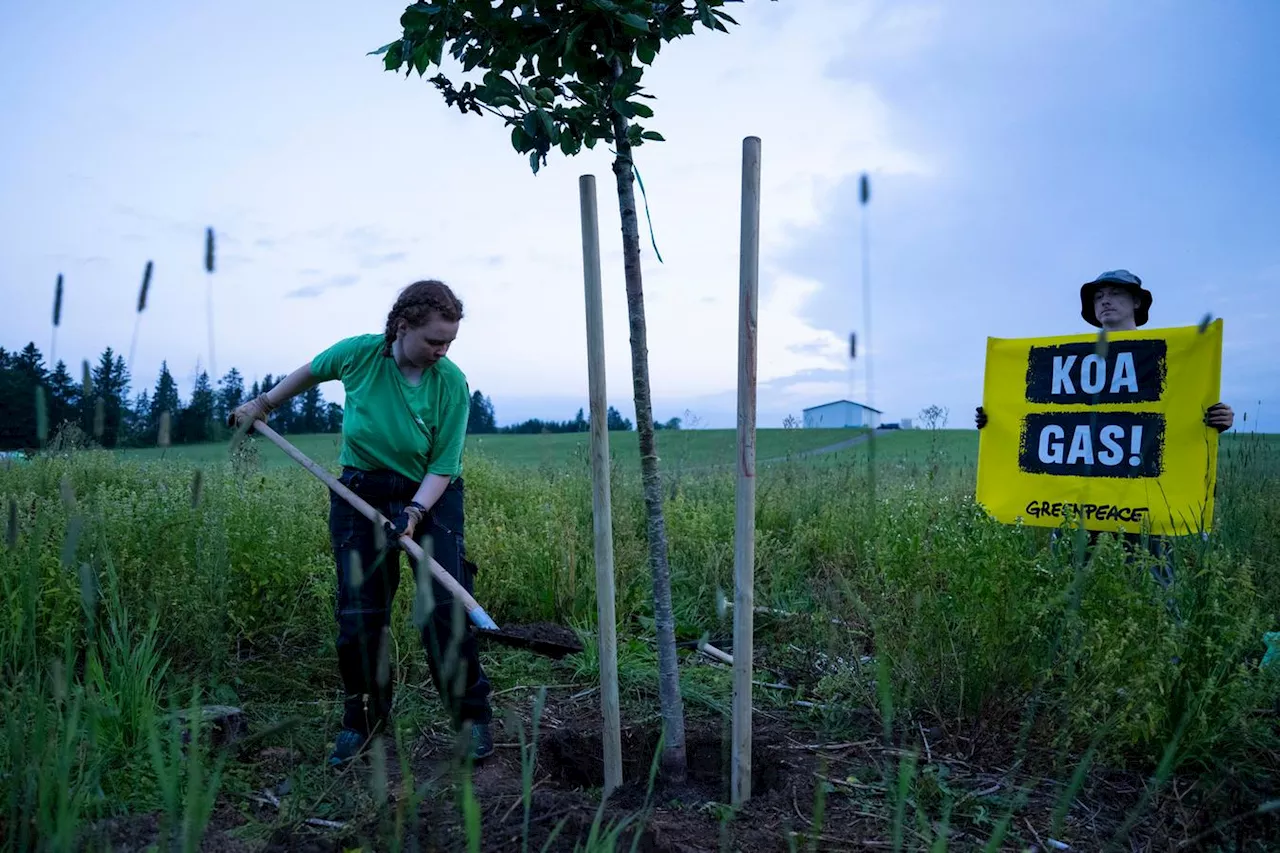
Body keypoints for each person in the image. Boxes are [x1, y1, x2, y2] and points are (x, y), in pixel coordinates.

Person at [229, 279, 494, 766]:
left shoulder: (451, 383)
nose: (443, 350)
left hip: (431, 496)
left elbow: (444, 464)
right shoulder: (358, 355)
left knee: (443, 608)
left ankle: (472, 719)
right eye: (434, 340)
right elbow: (310, 372)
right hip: (359, 492)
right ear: (402, 327)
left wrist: (414, 513)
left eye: (450, 342)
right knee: (360, 616)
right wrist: (263, 404)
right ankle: (364, 723)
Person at [975, 270, 1234, 581]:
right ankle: (1065, 629)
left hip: (1143, 493)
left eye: (1114, 293)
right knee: (1065, 577)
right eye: (1098, 297)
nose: (1105, 301)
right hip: (1082, 493)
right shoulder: (1071, 358)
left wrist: (1218, 419)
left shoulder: (1168, 353)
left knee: (1154, 579)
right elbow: (1033, 411)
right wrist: (994, 419)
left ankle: (1163, 629)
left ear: (1137, 300)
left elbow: (1185, 406)